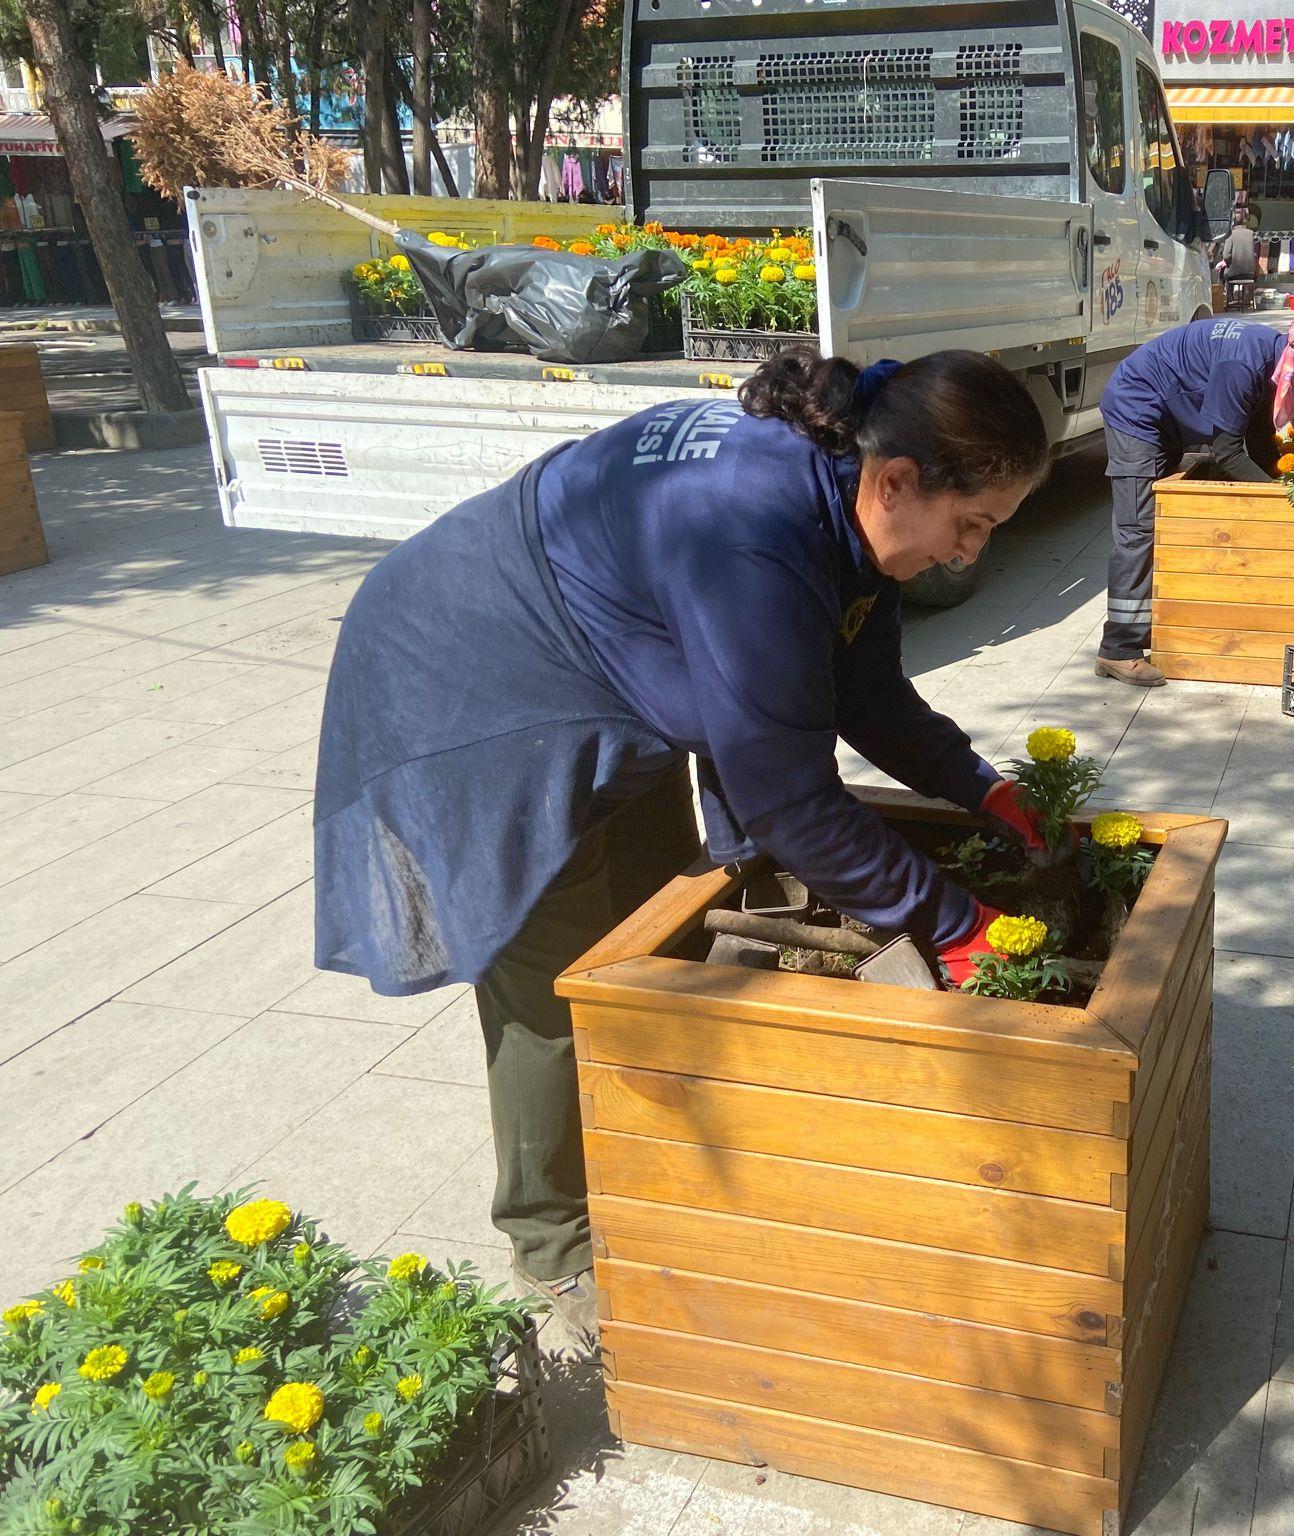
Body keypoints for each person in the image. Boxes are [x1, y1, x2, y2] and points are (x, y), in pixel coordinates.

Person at [313, 349, 1059, 1342]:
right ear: (897, 483)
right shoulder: (753, 527)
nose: (970, 555)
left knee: (655, 923)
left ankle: (656, 1160)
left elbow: (862, 689)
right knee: (563, 975)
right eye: (971, 525)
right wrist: (954, 925)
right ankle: (556, 1241)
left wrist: (976, 784)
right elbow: (790, 801)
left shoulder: (845, 480)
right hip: (470, 684)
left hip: (594, 667)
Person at [1094, 315, 1294, 686]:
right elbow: (1226, 450)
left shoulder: (1271, 360)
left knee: (1160, 523)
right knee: (1139, 527)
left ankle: (1145, 628)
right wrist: (1275, 499)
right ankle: (1118, 649)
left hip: (1167, 414)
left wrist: (1285, 478)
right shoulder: (1243, 362)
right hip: (1137, 408)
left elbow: (1254, 435)